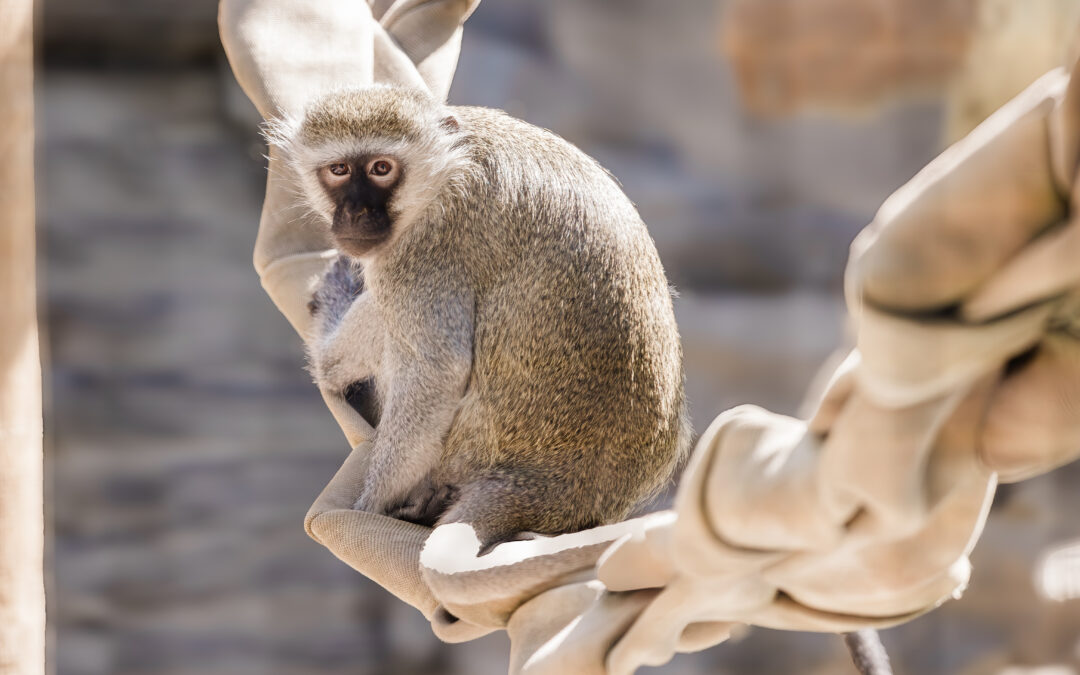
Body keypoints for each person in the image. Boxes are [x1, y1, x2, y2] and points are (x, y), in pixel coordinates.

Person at [219, 1, 1080, 672]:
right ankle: (707, 538)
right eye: (340, 177)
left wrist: (379, 506)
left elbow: (439, 368)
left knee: (365, 525)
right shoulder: (446, 189)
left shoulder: (433, 225)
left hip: (509, 450)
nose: (359, 206)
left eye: (379, 173)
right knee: (341, 324)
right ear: (303, 165)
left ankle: (699, 543)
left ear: (433, 155)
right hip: (628, 456)